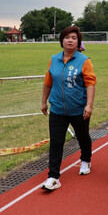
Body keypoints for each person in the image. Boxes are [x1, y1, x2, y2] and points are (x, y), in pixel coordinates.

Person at [41, 26, 96, 191]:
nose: (70, 40)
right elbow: (48, 82)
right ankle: (53, 176)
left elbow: (90, 83)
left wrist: (89, 105)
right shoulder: (54, 59)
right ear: (61, 41)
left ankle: (86, 159)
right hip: (57, 109)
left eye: (73, 37)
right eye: (67, 37)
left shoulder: (84, 60)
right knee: (56, 143)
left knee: (82, 136)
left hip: (78, 109)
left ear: (78, 41)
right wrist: (44, 102)